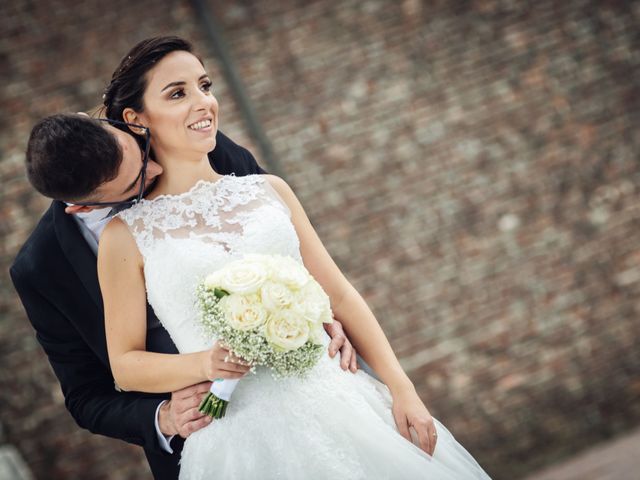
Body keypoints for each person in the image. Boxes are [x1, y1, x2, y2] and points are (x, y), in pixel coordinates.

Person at [94, 36, 491, 479]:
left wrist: (402, 387)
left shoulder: (269, 191)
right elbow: (125, 366)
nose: (203, 102)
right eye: (177, 93)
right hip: (240, 438)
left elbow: (338, 292)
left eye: (204, 86)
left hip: (342, 404)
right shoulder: (125, 236)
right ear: (136, 118)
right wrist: (203, 364)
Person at [11, 70, 356, 480]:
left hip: (311, 389)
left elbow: (277, 239)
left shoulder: (196, 145)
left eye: (138, 150)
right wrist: (164, 418)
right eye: (140, 178)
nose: (157, 166)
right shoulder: (41, 270)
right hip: (208, 442)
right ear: (82, 207)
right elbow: (85, 396)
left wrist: (316, 312)